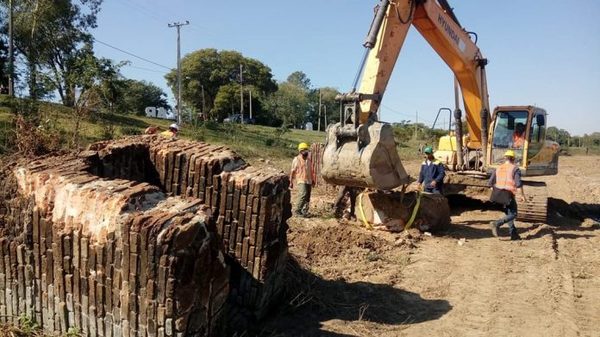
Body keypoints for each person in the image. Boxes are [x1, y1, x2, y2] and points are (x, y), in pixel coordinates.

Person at [488, 149, 527, 240]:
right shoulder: (515, 169)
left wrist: (497, 189)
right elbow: (518, 184)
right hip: (508, 194)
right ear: (513, 159)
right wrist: (522, 195)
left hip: (498, 194)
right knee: (514, 214)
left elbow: (490, 183)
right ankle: (497, 223)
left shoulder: (498, 168)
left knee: (509, 213)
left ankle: (514, 235)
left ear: (505, 158)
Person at [290, 142, 316, 217]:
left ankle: (304, 211)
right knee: (303, 194)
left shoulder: (308, 159)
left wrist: (313, 180)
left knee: (307, 196)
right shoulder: (296, 159)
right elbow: (292, 171)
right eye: (304, 150)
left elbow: (311, 170)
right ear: (300, 151)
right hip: (301, 180)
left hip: (309, 180)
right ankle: (297, 211)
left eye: (306, 150)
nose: (306, 151)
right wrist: (291, 182)